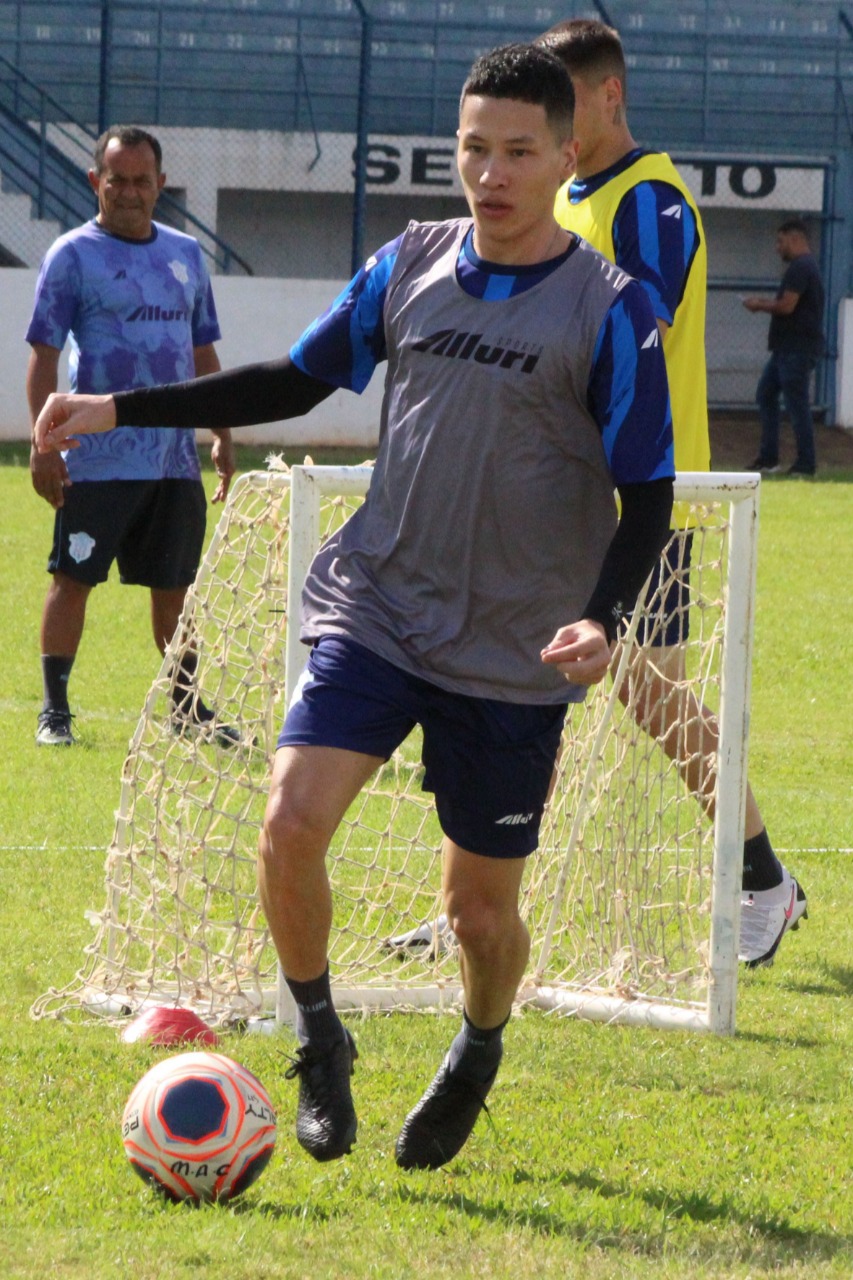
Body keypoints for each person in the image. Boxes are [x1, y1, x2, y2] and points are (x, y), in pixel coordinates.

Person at [36, 45, 675, 1170]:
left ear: (565, 156)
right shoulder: (409, 263)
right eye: (475, 147)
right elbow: (293, 378)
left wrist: (604, 618)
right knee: (288, 823)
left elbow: (648, 498)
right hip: (379, 602)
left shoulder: (613, 310)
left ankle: (478, 1043)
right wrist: (114, 405)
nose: (492, 172)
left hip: (514, 648)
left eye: (519, 151)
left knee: (479, 915)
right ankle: (320, 1039)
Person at [535, 18, 807, 968]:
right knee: (515, 680)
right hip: (563, 493)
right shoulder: (567, 194)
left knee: (651, 699)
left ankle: (763, 879)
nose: (554, 124)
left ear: (609, 95)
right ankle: (477, 896)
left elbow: (631, 323)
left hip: (646, 495)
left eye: (564, 103)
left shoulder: (647, 198)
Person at [26, 124, 236, 747]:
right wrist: (44, 444)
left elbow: (203, 352)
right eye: (116, 178)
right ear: (96, 181)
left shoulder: (186, 254)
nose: (128, 191)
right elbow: (43, 354)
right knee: (73, 579)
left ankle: (188, 710)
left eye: (141, 180)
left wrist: (221, 432)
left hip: (172, 460)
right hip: (95, 459)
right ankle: (55, 711)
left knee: (176, 589)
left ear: (160, 186)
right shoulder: (71, 255)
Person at [742, 217, 825, 477]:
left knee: (796, 404)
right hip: (786, 350)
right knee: (766, 395)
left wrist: (759, 305)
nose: (778, 247)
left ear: (795, 238)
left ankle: (805, 463)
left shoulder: (801, 267)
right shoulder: (804, 267)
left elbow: (788, 305)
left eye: (780, 241)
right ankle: (769, 458)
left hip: (796, 350)